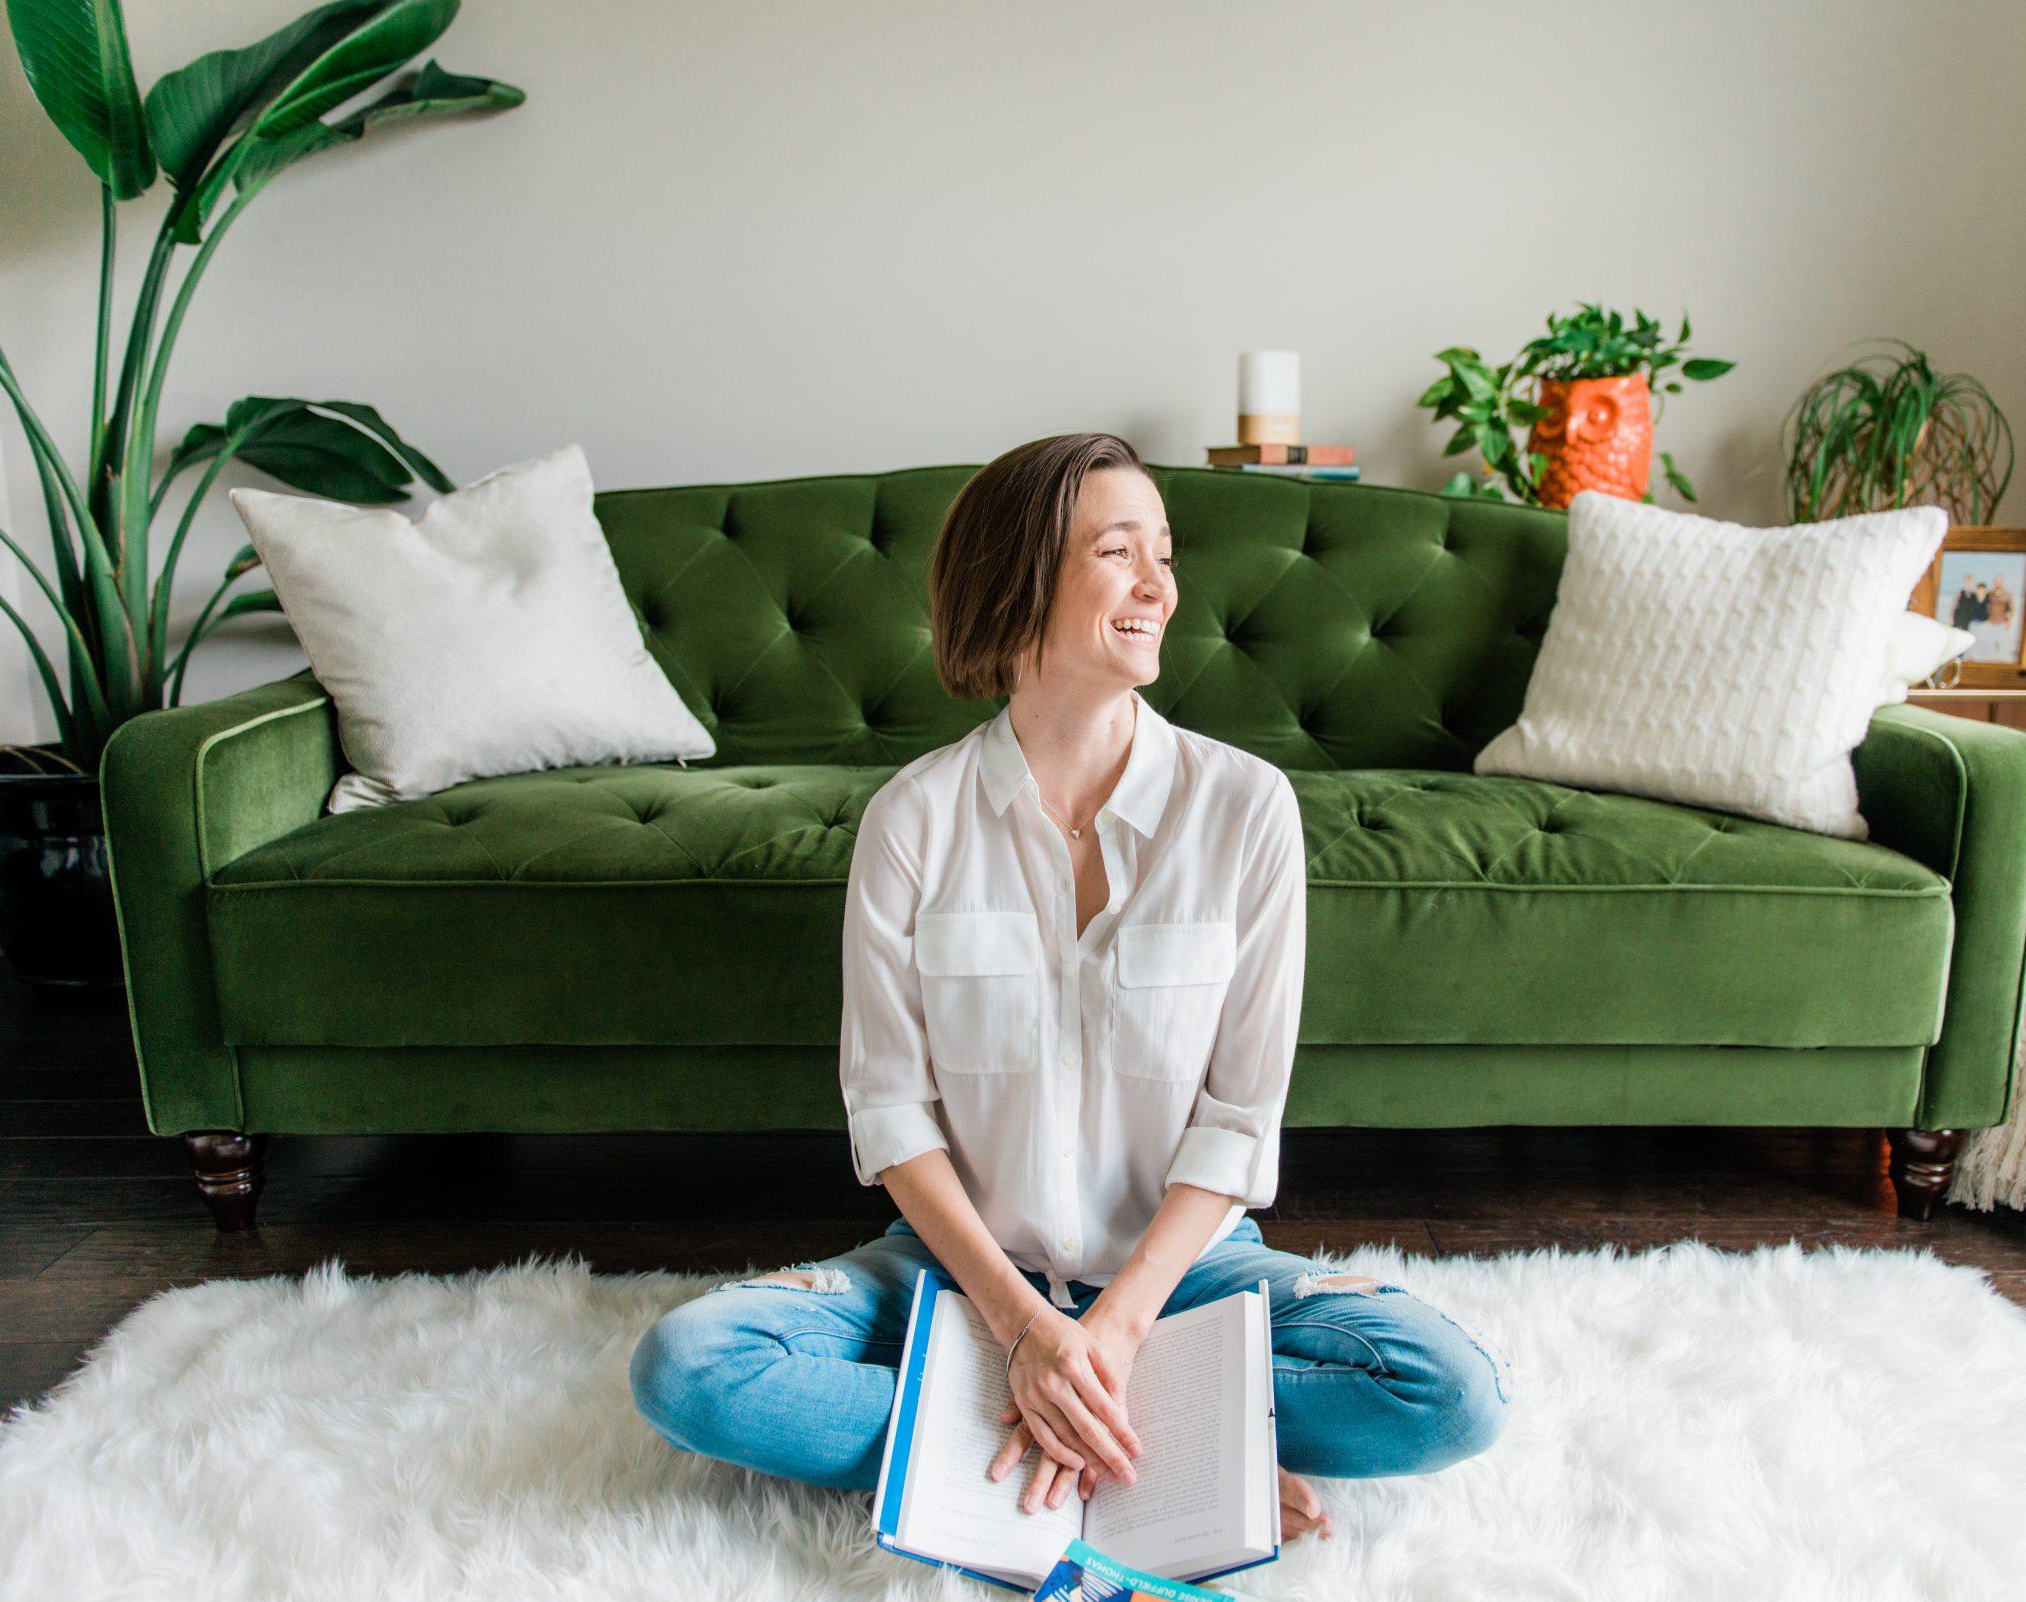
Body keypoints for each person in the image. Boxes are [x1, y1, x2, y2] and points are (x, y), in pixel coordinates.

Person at [629, 432, 1512, 1545]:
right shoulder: (914, 820)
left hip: (1185, 1274)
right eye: (1118, 551)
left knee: (1449, 1392)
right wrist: (1018, 1332)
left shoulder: (1245, 810)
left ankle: (1021, 1436)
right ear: (1022, 578)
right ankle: (1165, 1446)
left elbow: (1241, 1118)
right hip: (958, 1275)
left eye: (1165, 553)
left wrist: (1119, 1330)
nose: (1160, 586)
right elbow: (891, 1114)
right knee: (688, 1369)